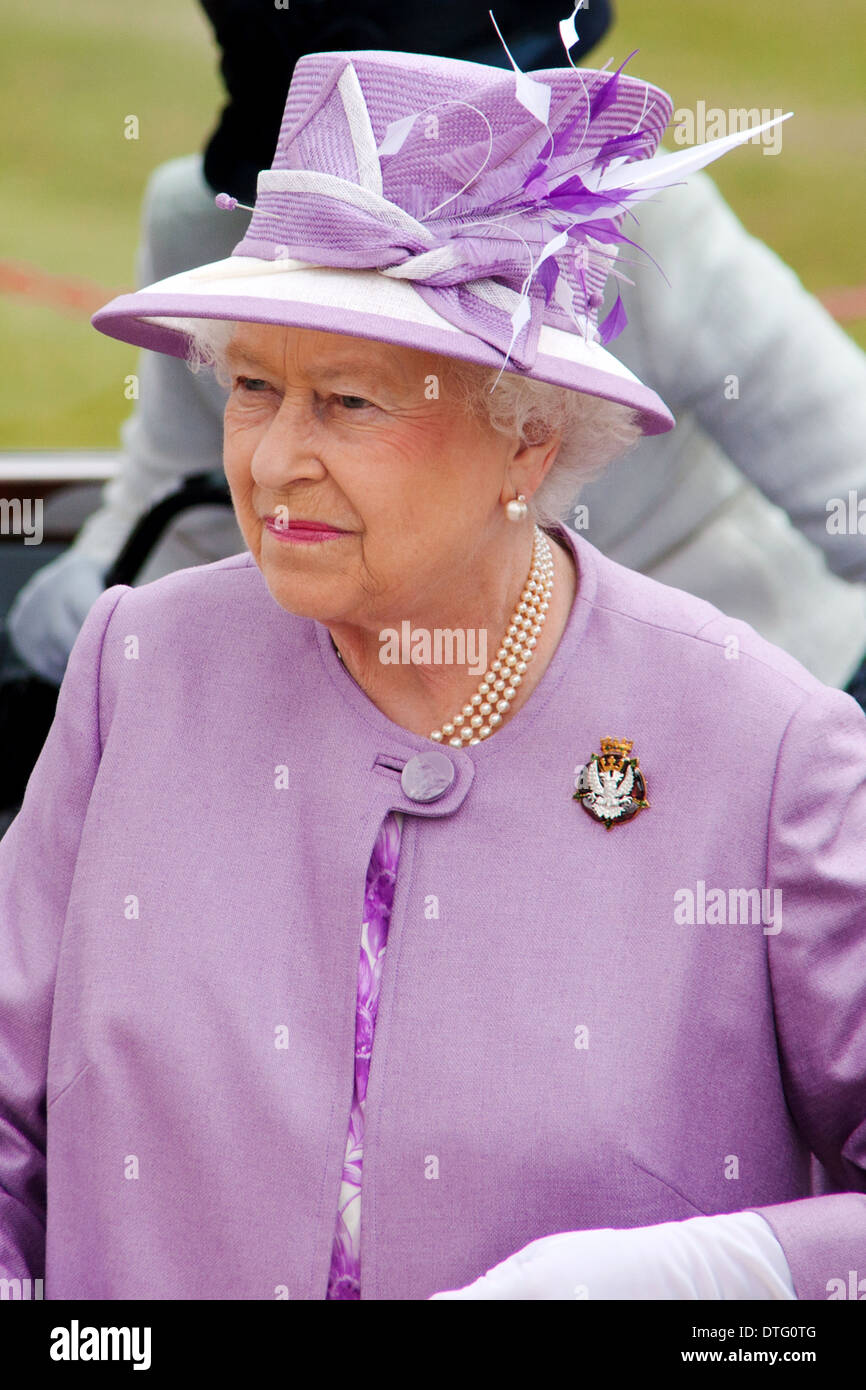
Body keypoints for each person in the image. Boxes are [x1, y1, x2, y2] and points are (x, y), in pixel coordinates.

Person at [1, 35, 864, 1301]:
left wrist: (723, 1277)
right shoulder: (140, 669)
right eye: (252, 387)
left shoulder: (763, 752)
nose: (274, 459)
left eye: (349, 403)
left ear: (524, 441)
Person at [7, 0, 866, 707]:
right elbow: (174, 497)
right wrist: (98, 600)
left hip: (704, 698)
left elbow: (853, 486)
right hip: (374, 700)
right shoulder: (201, 223)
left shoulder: (648, 227)